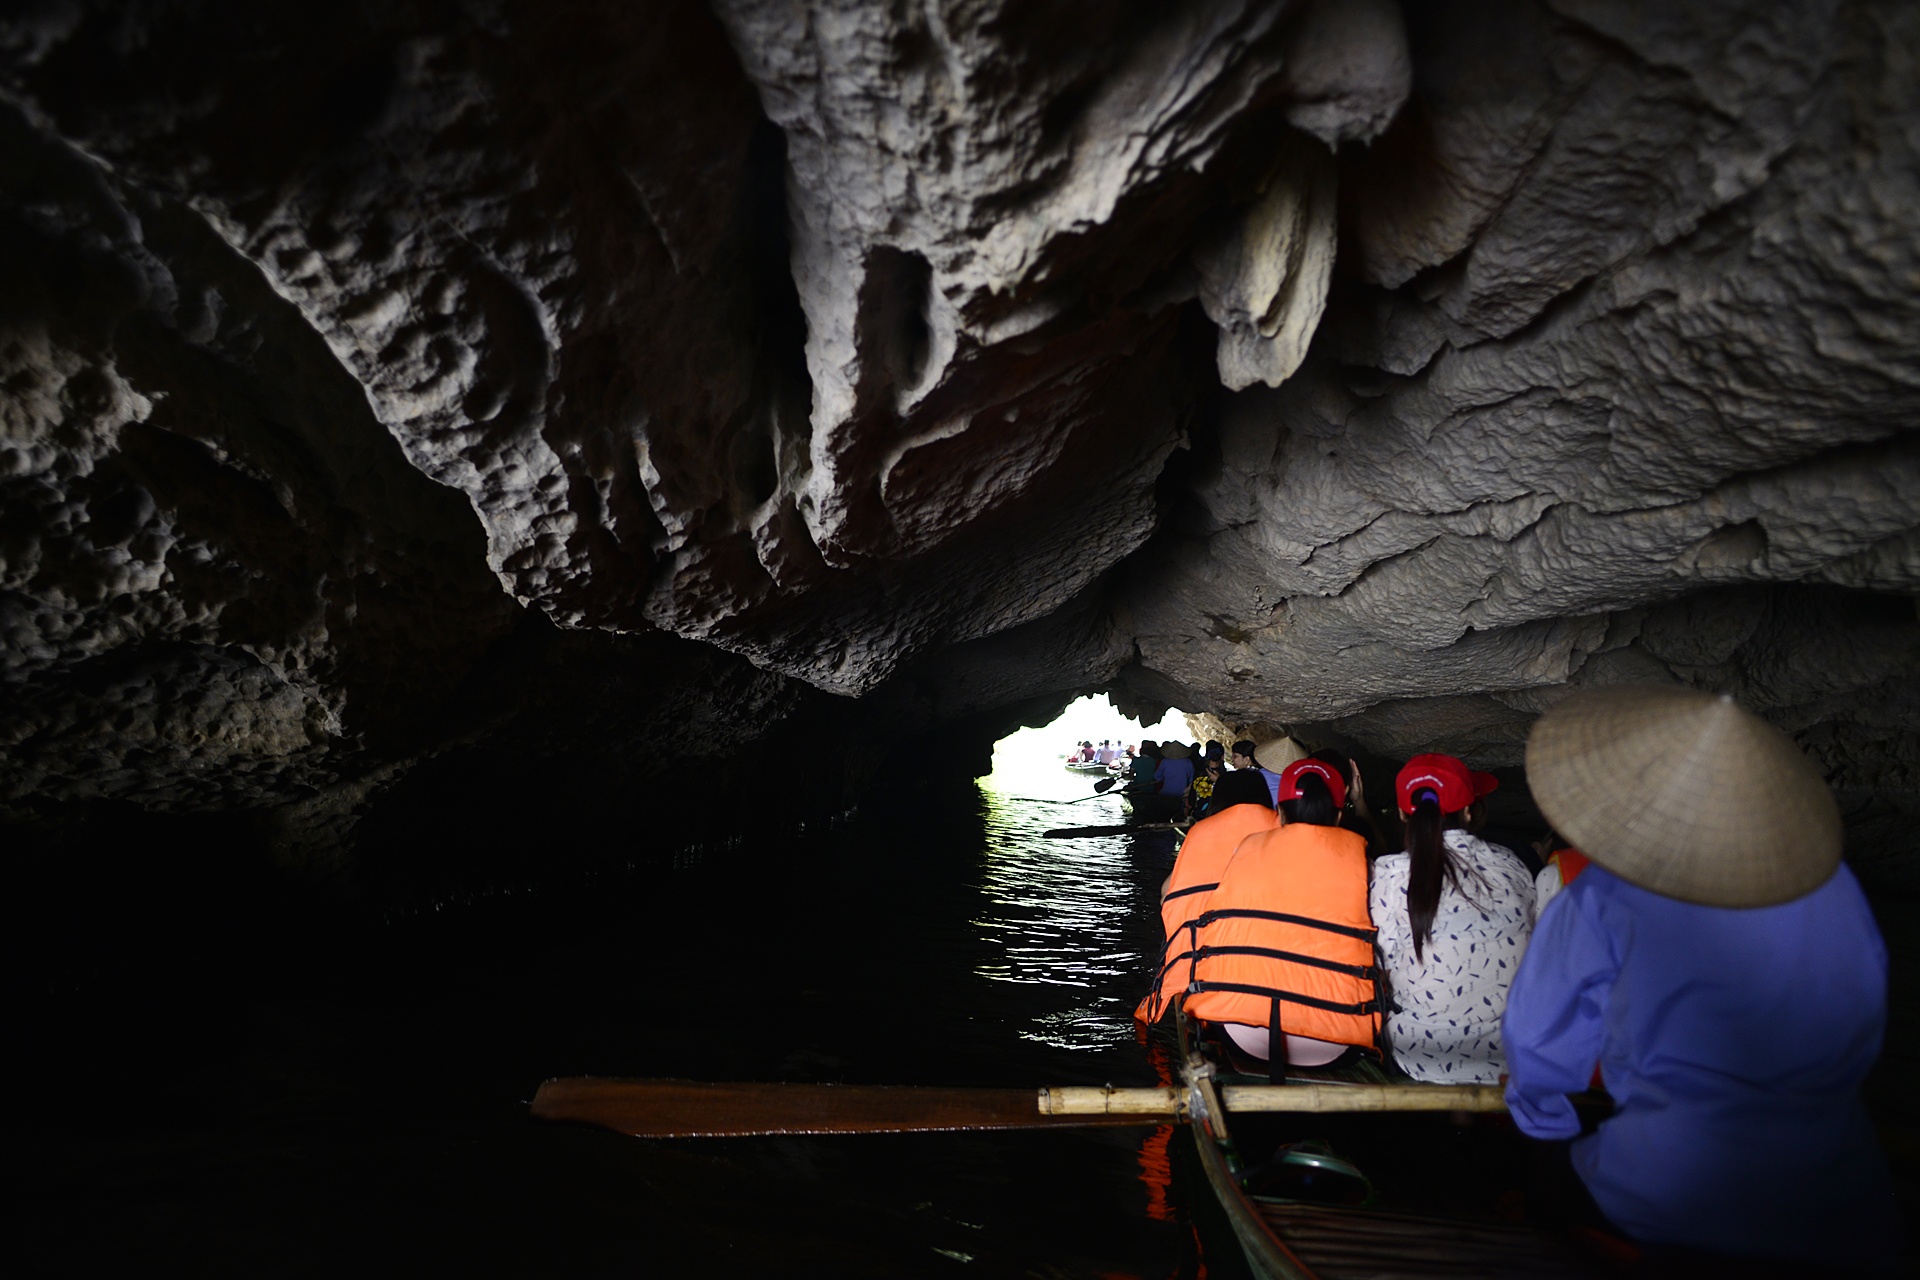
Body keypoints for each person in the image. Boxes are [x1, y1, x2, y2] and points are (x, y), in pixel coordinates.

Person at [1504, 686, 1903, 1272]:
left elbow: (1540, 1040)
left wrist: (1544, 1124)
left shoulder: (1604, 892)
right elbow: (1861, 1021)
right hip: (1839, 1191)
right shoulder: (1833, 885)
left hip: (1675, 1191)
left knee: (1537, 1187)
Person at [1183, 759, 1380, 1070]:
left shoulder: (1246, 850)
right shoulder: (1363, 863)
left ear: (1280, 813)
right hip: (1335, 1045)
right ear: (1340, 815)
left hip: (1241, 1033)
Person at [1369, 753, 1533, 1084]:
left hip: (1417, 1050)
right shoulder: (1512, 866)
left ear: (1402, 814)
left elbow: (1378, 961)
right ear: (1470, 811)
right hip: (1512, 1049)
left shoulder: (1390, 873)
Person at [1133, 770, 1277, 1025]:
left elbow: (1169, 893)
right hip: (1272, 959)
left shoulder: (1203, 831)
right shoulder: (1284, 829)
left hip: (1207, 960)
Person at [1229, 739, 1282, 805]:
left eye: (1235, 756)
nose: (1232, 759)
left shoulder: (1251, 777)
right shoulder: (1268, 772)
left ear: (1246, 759)